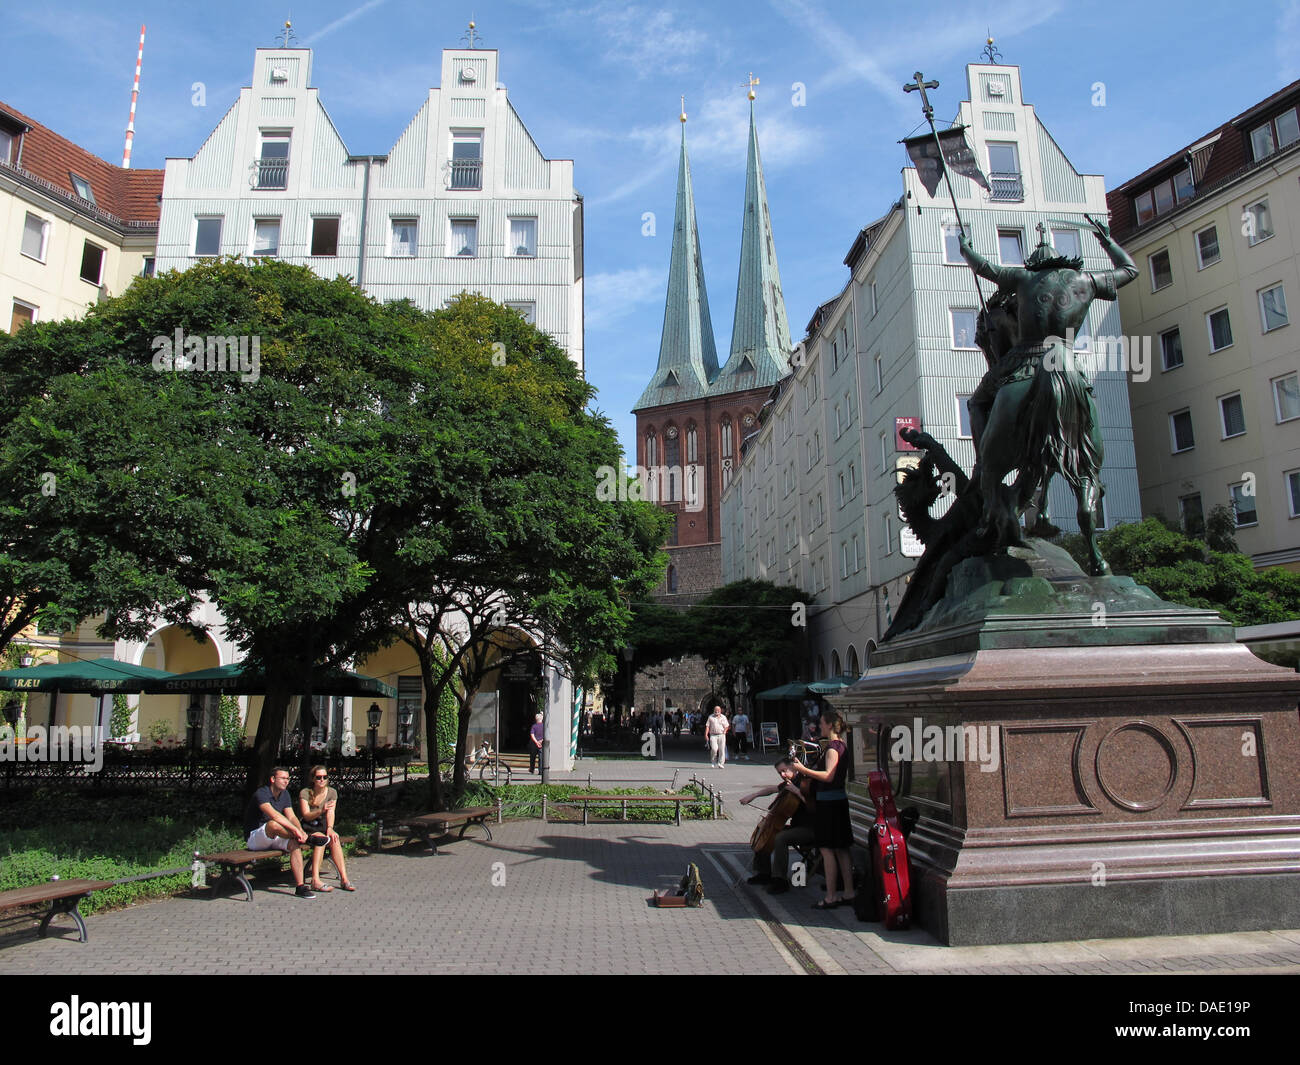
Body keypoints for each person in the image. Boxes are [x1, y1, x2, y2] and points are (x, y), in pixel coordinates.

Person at [792, 711, 855, 910]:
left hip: (828, 804)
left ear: (829, 725)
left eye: (821, 723)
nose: (819, 726)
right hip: (839, 801)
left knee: (827, 849)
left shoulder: (832, 749)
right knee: (842, 848)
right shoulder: (842, 745)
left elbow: (828, 775)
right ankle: (849, 892)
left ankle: (830, 896)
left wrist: (803, 770)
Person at [740, 757, 816, 894]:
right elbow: (773, 789)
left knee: (781, 838)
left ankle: (780, 880)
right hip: (797, 826)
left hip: (810, 828)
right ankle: (764, 874)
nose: (782, 775)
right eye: (779, 773)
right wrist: (754, 795)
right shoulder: (790, 783)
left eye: (784, 771)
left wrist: (796, 791)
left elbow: (813, 806)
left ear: (793, 768)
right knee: (765, 833)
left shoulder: (805, 782)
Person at [244, 766, 314, 899]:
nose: (286, 781)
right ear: (272, 779)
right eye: (282, 778)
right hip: (256, 838)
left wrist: (300, 831)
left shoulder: (285, 794)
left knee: (294, 844)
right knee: (273, 824)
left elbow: (292, 817)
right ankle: (306, 839)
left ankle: (300, 886)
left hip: (274, 836)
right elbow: (275, 815)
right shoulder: (262, 793)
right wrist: (295, 831)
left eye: (288, 778)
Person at [299, 766, 355, 892]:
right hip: (309, 826)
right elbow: (306, 816)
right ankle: (315, 880)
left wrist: (330, 828)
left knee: (334, 839)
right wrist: (320, 810)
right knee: (322, 839)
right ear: (313, 779)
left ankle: (344, 879)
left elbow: (331, 812)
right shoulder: (305, 793)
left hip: (323, 825)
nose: (322, 780)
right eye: (318, 777)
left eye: (325, 777)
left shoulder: (331, 792)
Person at [705, 703, 729, 767]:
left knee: (722, 749)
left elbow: (727, 726)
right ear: (714, 710)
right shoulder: (710, 717)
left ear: (720, 711)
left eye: (718, 710)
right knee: (714, 749)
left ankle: (721, 763)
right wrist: (706, 734)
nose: (717, 711)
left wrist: (725, 731)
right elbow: (707, 726)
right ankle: (713, 761)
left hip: (721, 735)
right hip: (713, 735)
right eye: (715, 710)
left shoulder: (723, 717)